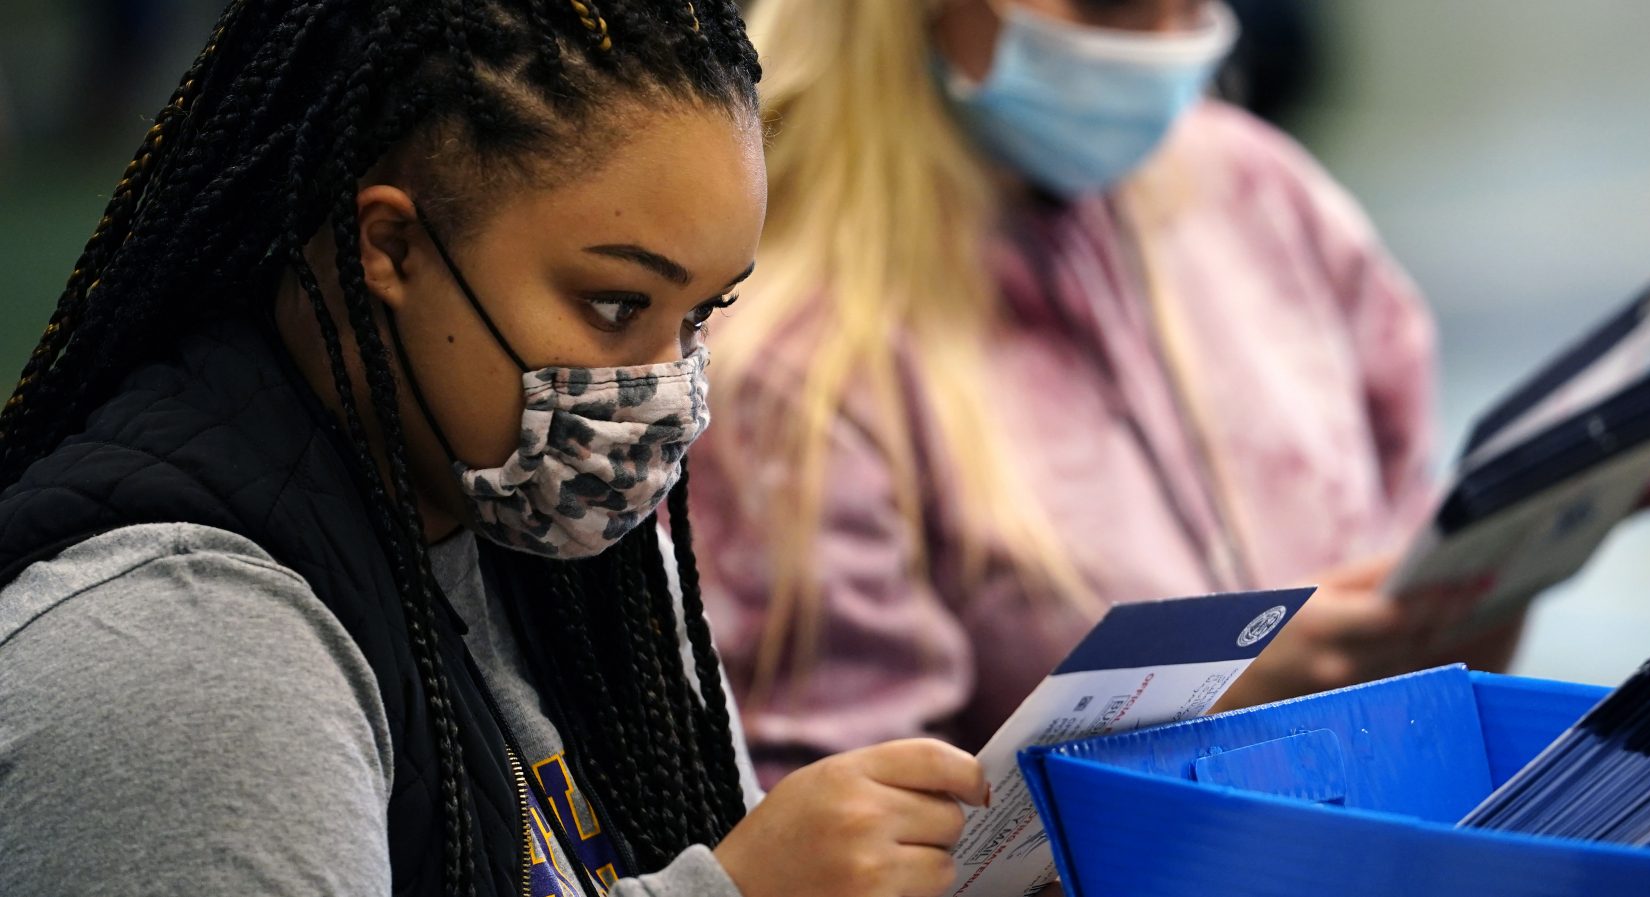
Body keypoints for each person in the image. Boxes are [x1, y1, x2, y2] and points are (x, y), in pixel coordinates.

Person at [0, 3, 987, 897]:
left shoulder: (557, 542)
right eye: (615, 307)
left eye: (701, 316)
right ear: (390, 248)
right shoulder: (186, 665)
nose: (671, 394)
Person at [693, 0, 1528, 785]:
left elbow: (1435, 635)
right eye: (1110, 3)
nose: (1164, 45)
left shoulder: (1261, 191)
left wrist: (1509, 557)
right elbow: (851, 837)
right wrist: (1220, 703)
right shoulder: (794, 369)